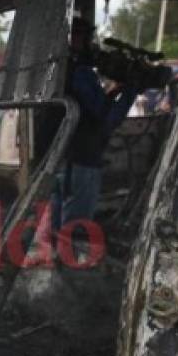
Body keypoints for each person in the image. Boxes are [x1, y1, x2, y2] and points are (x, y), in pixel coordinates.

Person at [56, 19, 139, 228]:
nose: (91, 44)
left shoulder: (62, 71)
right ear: (73, 40)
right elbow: (107, 119)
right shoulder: (81, 74)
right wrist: (131, 92)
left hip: (66, 152)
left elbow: (92, 107)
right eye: (86, 38)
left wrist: (112, 94)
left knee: (63, 212)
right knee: (78, 223)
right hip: (84, 155)